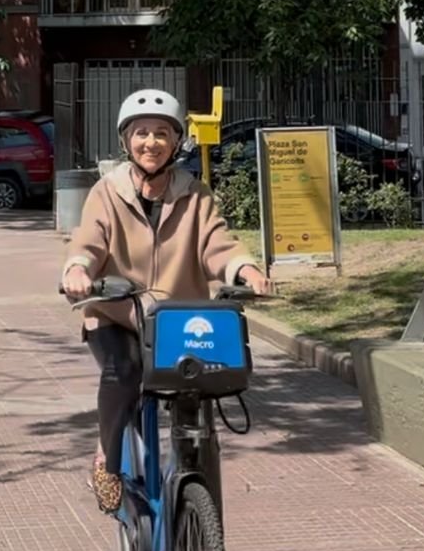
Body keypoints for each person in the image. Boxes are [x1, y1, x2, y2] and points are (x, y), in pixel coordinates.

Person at [60, 89, 274, 514]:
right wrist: (78, 272)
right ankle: (107, 457)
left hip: (177, 320)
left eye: (162, 133)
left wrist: (245, 270)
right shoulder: (106, 192)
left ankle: (200, 518)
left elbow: (219, 244)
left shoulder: (196, 195)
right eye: (141, 133)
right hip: (117, 315)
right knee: (122, 374)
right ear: (126, 141)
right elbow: (89, 241)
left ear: (176, 142)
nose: (151, 142)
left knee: (200, 396)